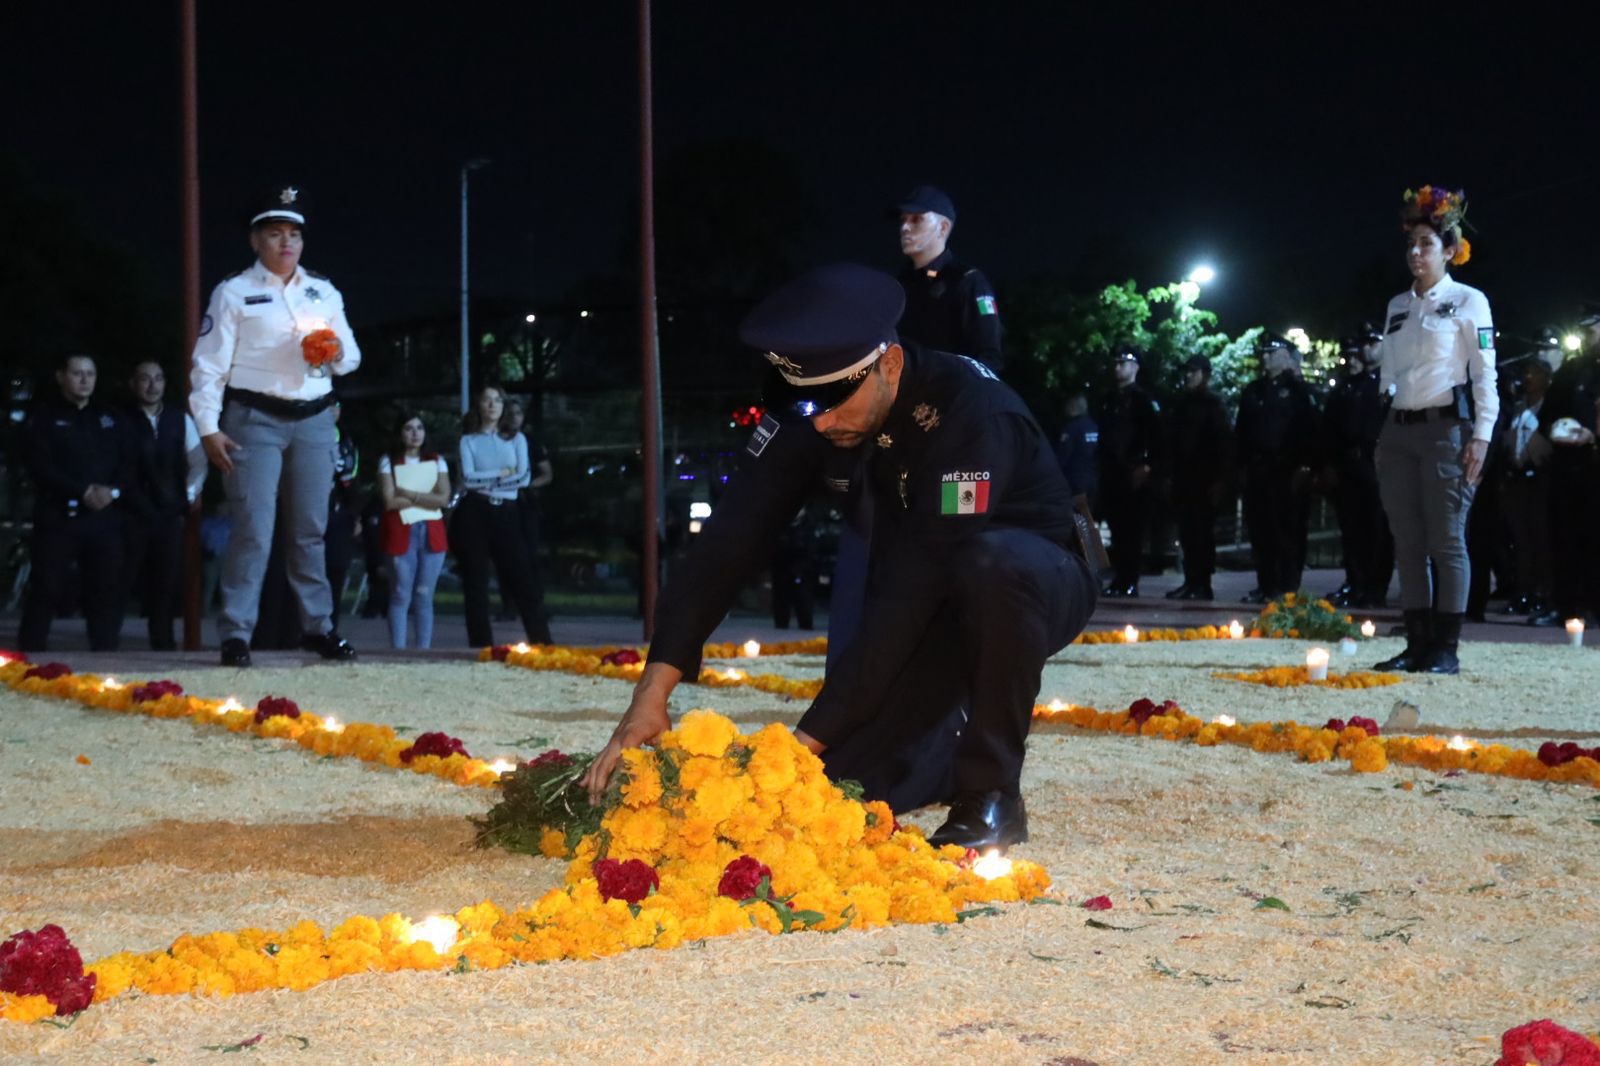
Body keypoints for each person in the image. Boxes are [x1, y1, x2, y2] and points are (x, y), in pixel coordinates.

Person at [581, 264, 1096, 849]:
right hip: (923, 587)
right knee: (844, 789)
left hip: (1035, 577)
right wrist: (649, 697)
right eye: (806, 404)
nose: (821, 420)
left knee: (991, 567)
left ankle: (993, 796)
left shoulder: (969, 413)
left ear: (890, 366)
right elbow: (726, 544)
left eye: (834, 400)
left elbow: (908, 603)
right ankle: (938, 755)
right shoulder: (814, 405)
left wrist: (795, 748)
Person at [190, 185, 361, 667]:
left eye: (294, 235)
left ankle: (318, 628)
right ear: (256, 241)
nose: (286, 244)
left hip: (313, 418)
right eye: (275, 234)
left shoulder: (322, 291)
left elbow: (352, 357)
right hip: (253, 418)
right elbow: (208, 365)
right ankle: (236, 633)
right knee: (253, 528)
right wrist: (207, 426)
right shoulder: (234, 292)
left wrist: (334, 350)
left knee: (310, 529)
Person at [1372, 186, 1497, 674]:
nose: (1416, 253)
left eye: (1426, 244)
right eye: (1411, 245)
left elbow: (1486, 373)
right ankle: (1416, 643)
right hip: (1399, 431)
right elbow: (1388, 376)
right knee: (1407, 542)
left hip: (1447, 430)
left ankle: (1446, 647)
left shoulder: (1470, 301)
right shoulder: (1397, 305)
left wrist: (1482, 435)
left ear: (1450, 251)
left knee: (1447, 540)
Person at [19, 354, 133, 651]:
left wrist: (113, 491)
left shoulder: (109, 417)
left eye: (90, 374)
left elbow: (129, 463)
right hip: (59, 517)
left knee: (105, 590)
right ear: (61, 377)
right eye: (77, 373)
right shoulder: (44, 416)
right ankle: (28, 659)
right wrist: (81, 491)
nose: (84, 380)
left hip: (104, 518)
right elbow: (40, 466)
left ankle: (106, 659)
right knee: (46, 587)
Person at [454, 384, 552, 647]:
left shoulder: (517, 439)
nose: (492, 405)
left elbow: (524, 476)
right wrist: (501, 475)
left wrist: (495, 481)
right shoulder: (468, 440)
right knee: (475, 579)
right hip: (475, 510)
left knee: (522, 576)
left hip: (508, 511)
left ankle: (541, 641)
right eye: (487, 400)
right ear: (479, 405)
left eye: (497, 400)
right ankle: (480, 643)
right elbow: (469, 479)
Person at [121, 361, 208, 649]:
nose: (152, 385)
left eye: (158, 378)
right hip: (131, 513)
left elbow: (198, 461)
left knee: (165, 586)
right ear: (133, 383)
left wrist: (188, 494)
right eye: (145, 379)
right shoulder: (120, 420)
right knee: (121, 582)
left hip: (169, 513)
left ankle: (164, 645)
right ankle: (106, 646)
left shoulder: (179, 419)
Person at [1527, 302, 1600, 627]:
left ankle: (1595, 606)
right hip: (1565, 467)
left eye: (1591, 327)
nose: (1585, 334)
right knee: (1562, 538)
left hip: (1594, 466)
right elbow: (1548, 415)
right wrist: (1552, 431)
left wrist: (1592, 434)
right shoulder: (1572, 369)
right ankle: (1565, 604)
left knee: (1594, 540)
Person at [1236, 334, 1318, 604]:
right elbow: (1241, 433)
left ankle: (1287, 588)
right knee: (1261, 531)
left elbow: (1310, 432)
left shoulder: (1298, 391)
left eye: (1272, 352)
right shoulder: (1253, 390)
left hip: (1287, 470)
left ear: (1286, 355)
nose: (1265, 357)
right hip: (1259, 470)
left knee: (1289, 531)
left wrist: (1306, 467)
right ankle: (1265, 584)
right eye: (1263, 352)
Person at [1320, 330, 1393, 608]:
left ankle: (1375, 588)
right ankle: (1356, 582)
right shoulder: (1353, 385)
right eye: (1364, 343)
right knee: (1353, 529)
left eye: (1373, 343)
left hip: (1376, 464)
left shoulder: (1391, 382)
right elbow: (1333, 428)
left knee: (1377, 530)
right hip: (1350, 464)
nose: (1366, 350)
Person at [894, 185, 1003, 369]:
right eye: (903, 220)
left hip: (949, 393)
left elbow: (989, 358)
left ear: (943, 228)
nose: (905, 227)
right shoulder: (898, 285)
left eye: (916, 219)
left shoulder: (967, 282)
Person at [376, 412, 451, 648]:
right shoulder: (389, 461)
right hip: (401, 531)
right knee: (400, 594)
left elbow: (444, 498)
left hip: (431, 532)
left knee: (424, 595)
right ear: (400, 433)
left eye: (419, 428)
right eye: (409, 428)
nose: (415, 433)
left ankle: (423, 651)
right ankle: (397, 650)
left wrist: (409, 494)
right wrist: (427, 498)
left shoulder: (436, 460)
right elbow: (389, 501)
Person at [1164, 354, 1233, 600]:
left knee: (1202, 534)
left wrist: (1220, 481)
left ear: (1205, 374)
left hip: (1205, 479)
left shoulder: (1213, 405)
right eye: (1187, 372)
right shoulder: (1181, 404)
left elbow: (1224, 444)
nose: (1188, 376)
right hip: (1185, 479)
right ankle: (1191, 581)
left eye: (1193, 372)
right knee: (1188, 533)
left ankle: (1202, 583)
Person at [1095, 348, 1162, 597]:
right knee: (1117, 530)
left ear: (1135, 368)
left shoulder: (1143, 399)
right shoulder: (1108, 398)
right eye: (1116, 363)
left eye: (1123, 363)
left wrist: (1147, 466)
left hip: (1134, 474)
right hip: (1112, 473)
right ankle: (1120, 580)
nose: (1118, 368)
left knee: (1132, 531)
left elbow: (1156, 437)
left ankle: (1130, 580)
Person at [1498, 360, 1553, 617]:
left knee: (1540, 540)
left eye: (1535, 374)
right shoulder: (1519, 409)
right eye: (1527, 373)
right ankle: (1523, 591)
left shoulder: (1548, 409)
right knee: (1520, 542)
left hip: (1539, 479)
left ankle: (1542, 593)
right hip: (1517, 479)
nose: (1529, 378)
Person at [495, 398, 553, 623]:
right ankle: (508, 605)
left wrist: (525, 485)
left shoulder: (532, 442)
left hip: (525, 504)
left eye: (517, 413)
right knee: (504, 555)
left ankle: (536, 605)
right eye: (509, 414)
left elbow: (547, 474)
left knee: (530, 556)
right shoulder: (496, 442)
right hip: (502, 503)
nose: (513, 418)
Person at [324, 400, 360, 627]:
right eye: (327, 405)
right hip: (309, 512)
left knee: (336, 570)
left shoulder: (347, 444)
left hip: (338, 514)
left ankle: (331, 629)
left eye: (337, 405)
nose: (332, 410)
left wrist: (354, 516)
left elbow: (352, 484)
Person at [1053, 394, 1099, 505]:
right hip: (1093, 479)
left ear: (1072, 408)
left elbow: (1063, 455)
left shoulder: (1071, 427)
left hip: (1075, 480)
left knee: (1076, 517)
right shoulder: (1094, 426)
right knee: (1087, 515)